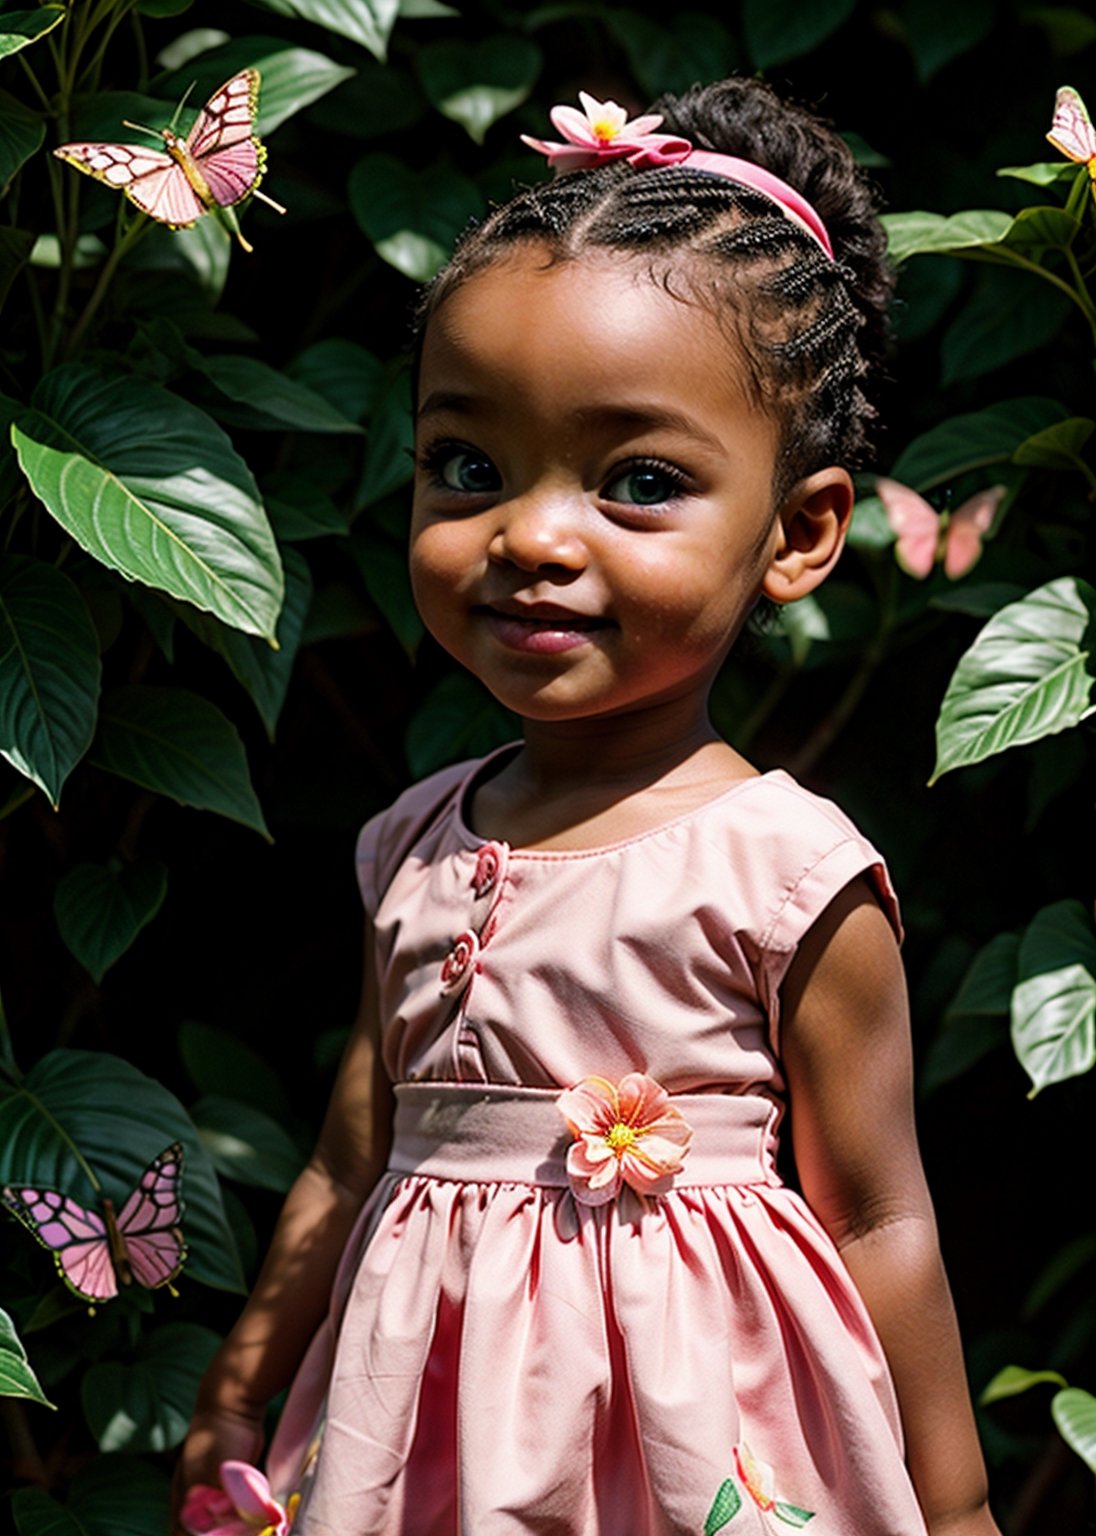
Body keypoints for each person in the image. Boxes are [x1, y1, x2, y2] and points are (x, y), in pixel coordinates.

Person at [174, 76, 1001, 1536]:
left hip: (692, 1453)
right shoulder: (412, 843)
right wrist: (247, 1383)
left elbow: (882, 1216)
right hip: (419, 1440)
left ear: (801, 531)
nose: (533, 536)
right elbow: (350, 1156)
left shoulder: (788, 873)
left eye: (637, 481)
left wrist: (954, 1507)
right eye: (470, 467)